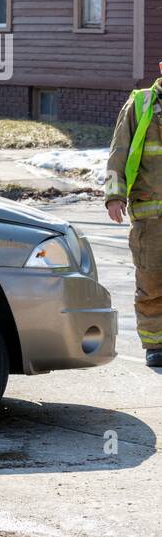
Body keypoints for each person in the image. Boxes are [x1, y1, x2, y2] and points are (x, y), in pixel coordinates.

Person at [106, 73, 162, 367]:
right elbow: (119, 151)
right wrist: (114, 196)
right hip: (150, 215)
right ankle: (155, 344)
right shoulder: (140, 104)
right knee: (151, 280)